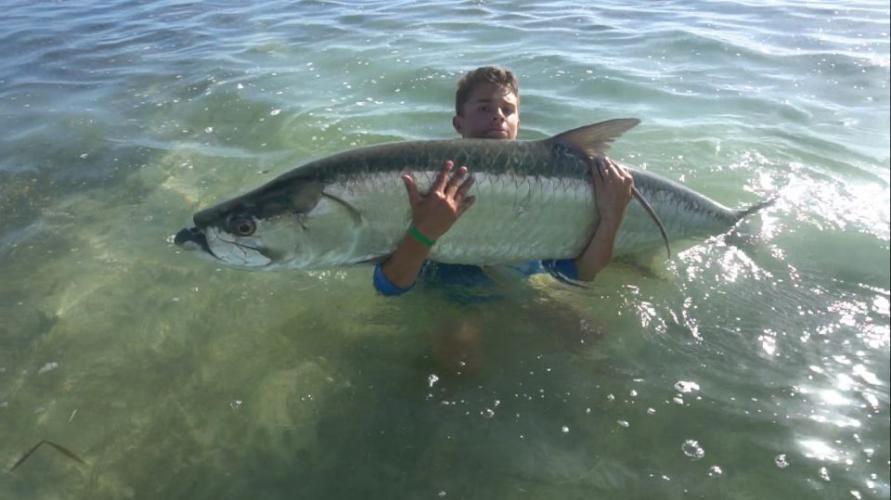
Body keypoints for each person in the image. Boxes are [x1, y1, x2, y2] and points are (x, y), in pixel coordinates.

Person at [372, 66, 635, 296]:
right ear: (458, 123)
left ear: (519, 122)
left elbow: (581, 274)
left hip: (526, 288)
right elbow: (390, 285)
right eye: (484, 107)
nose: (498, 115)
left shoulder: (539, 189)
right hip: (452, 296)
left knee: (589, 334)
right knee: (458, 341)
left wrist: (613, 216)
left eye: (507, 110)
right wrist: (424, 232)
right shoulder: (433, 181)